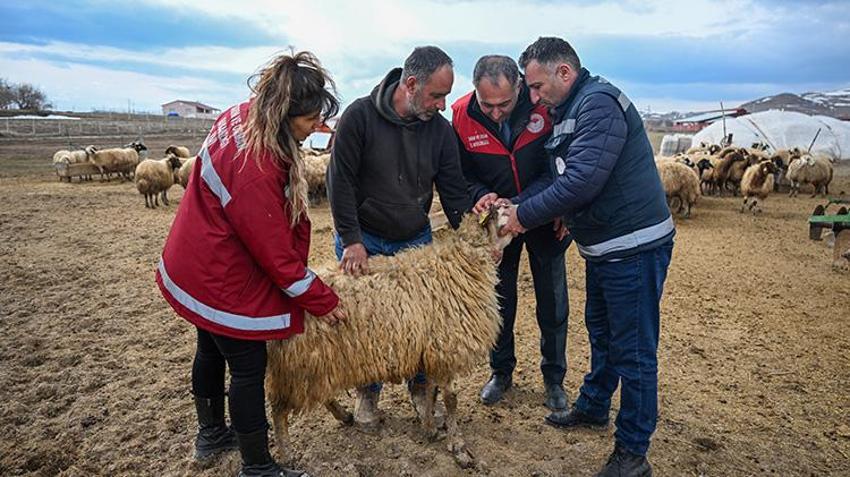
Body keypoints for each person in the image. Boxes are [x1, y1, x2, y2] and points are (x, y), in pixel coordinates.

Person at [156, 51, 346, 477]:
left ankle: (211, 435)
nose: (314, 127)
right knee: (246, 365)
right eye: (309, 118)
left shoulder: (242, 114)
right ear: (284, 112)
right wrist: (324, 300)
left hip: (196, 253)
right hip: (219, 269)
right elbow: (276, 257)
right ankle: (257, 465)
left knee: (209, 345)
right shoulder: (256, 168)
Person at [502, 37, 674, 477]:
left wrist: (521, 217)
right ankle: (595, 405)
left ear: (565, 72)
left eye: (538, 87)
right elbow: (556, 178)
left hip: (633, 245)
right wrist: (515, 203)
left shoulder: (597, 105)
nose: (534, 98)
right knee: (602, 331)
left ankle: (633, 453)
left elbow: (580, 182)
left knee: (633, 351)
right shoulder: (566, 113)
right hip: (606, 248)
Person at [327, 45, 471, 429]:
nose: (442, 105)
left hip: (413, 238)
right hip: (365, 238)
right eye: (436, 95)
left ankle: (421, 390)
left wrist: (473, 237)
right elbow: (339, 183)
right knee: (368, 324)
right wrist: (351, 239)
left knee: (422, 323)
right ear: (410, 84)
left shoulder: (440, 131)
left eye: (445, 96)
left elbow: (454, 191)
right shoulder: (359, 118)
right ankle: (368, 394)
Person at [450, 55, 570, 411]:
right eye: (488, 104)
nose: (497, 112)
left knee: (552, 299)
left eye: (504, 103)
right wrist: (478, 196)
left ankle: (554, 379)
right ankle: (501, 372)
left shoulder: (544, 108)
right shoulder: (460, 115)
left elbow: (558, 168)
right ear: (474, 91)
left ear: (519, 86)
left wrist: (518, 205)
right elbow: (459, 173)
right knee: (500, 298)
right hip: (496, 224)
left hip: (544, 215)